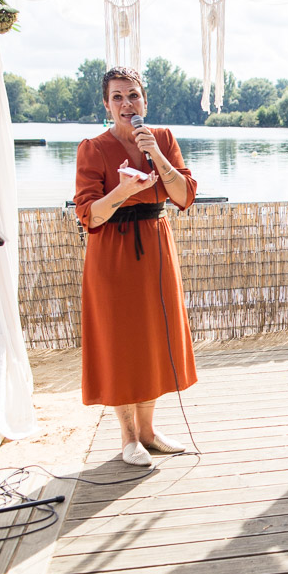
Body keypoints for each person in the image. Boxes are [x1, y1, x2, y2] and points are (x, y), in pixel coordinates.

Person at [74, 66, 199, 467]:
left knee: (152, 338)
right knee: (120, 340)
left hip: (156, 247)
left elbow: (184, 196)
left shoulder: (161, 139)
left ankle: (148, 431)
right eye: (117, 97)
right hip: (111, 254)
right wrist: (123, 190)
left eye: (133, 96)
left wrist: (157, 155)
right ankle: (128, 437)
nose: (127, 104)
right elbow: (89, 216)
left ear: (144, 100)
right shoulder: (92, 148)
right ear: (106, 104)